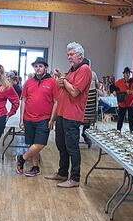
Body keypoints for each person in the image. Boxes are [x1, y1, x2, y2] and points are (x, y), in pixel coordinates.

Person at [46, 42, 91, 188]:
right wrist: (61, 78)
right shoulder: (73, 70)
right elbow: (64, 87)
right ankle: (63, 172)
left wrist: (63, 80)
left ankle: (75, 178)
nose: (69, 57)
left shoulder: (84, 70)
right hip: (62, 112)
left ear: (80, 55)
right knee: (61, 144)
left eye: (71, 54)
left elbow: (74, 91)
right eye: (68, 55)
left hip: (73, 114)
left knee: (72, 147)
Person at [17, 57, 56, 177]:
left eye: (40, 66)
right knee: (33, 144)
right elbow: (23, 100)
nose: (38, 68)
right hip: (29, 118)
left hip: (44, 119)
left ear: (45, 67)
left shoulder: (52, 82)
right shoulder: (29, 82)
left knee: (40, 143)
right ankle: (35, 167)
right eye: (36, 66)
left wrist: (52, 119)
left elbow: (56, 102)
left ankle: (22, 158)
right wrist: (21, 118)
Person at [112, 67, 133, 132]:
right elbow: (112, 87)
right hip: (122, 103)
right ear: (124, 74)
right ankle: (118, 131)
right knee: (120, 118)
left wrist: (131, 92)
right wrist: (113, 91)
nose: (128, 75)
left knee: (131, 118)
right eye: (126, 73)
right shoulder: (120, 81)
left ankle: (132, 132)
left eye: (129, 73)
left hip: (131, 103)